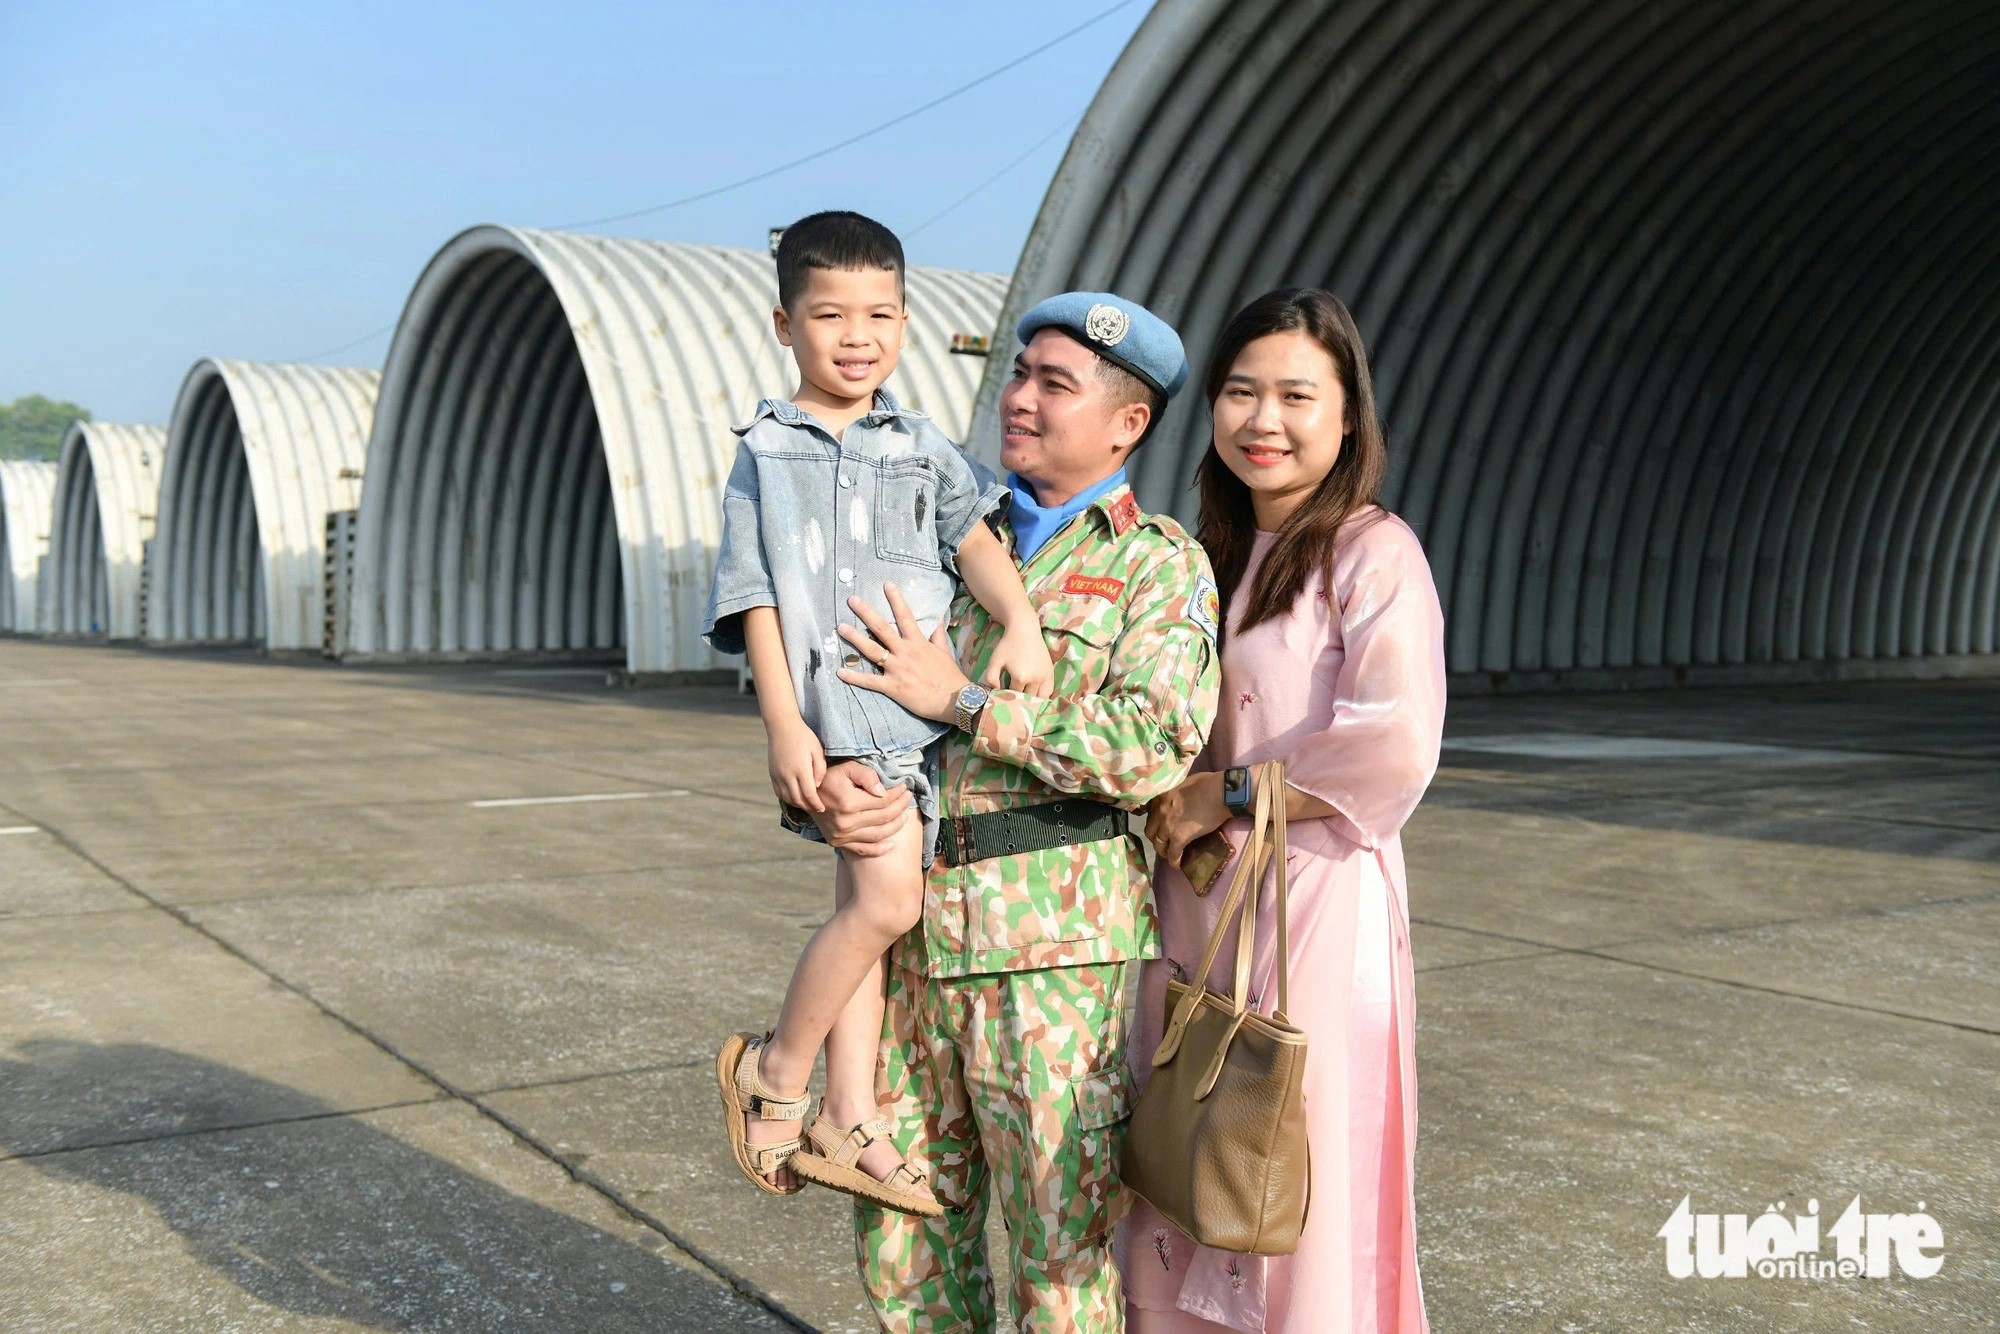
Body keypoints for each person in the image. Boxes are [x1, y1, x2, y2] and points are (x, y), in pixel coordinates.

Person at [809, 291, 1223, 1328]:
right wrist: (830, 780)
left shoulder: (1155, 565)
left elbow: (1148, 745)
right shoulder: (932, 531)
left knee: (1060, 1249)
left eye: (1054, 382)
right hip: (904, 938)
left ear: (1126, 421)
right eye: (1018, 373)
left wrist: (963, 702)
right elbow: (845, 676)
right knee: (901, 1243)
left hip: (1050, 954)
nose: (1019, 398)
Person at [701, 211, 1055, 1217]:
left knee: (866, 915)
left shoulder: (922, 446)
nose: (856, 335)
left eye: (880, 314)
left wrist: (1019, 620)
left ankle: (846, 1111)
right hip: (838, 731)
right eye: (829, 314)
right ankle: (773, 1070)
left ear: (904, 319)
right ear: (784, 323)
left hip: (914, 727)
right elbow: (754, 595)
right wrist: (783, 725)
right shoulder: (764, 455)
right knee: (886, 905)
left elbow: (976, 539)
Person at [1128, 288, 1444, 1333]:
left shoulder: (1371, 552)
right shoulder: (1200, 555)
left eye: (1295, 395)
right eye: (1239, 392)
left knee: (1295, 1164)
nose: (1263, 420)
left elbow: (1390, 742)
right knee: (1185, 1152)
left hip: (1313, 901)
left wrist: (1219, 790)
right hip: (1199, 897)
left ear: (1346, 414)